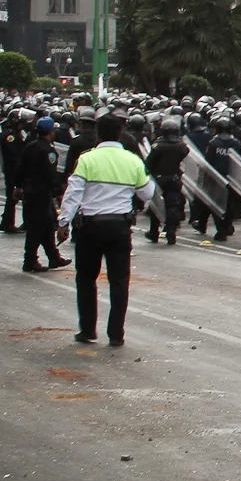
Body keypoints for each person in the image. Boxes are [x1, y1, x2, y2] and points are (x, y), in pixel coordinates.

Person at [57, 112, 155, 347]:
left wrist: (63, 223)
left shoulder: (87, 159)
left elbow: (73, 194)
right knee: (119, 281)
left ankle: (88, 330)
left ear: (98, 133)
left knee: (86, 279)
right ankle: (116, 333)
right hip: (120, 227)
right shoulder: (132, 160)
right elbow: (147, 193)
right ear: (120, 133)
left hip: (90, 226)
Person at [18, 115, 71, 273]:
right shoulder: (49, 151)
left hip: (30, 191)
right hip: (41, 193)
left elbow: (20, 168)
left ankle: (53, 257)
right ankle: (30, 261)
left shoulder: (30, 146)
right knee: (37, 228)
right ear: (50, 131)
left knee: (47, 226)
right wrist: (58, 191)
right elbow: (50, 174)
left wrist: (18, 186)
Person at [143, 117, 188, 245]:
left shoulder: (158, 146)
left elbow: (149, 163)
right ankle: (171, 232)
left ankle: (154, 233)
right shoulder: (181, 146)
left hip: (159, 179)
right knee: (172, 204)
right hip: (174, 178)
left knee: (156, 206)